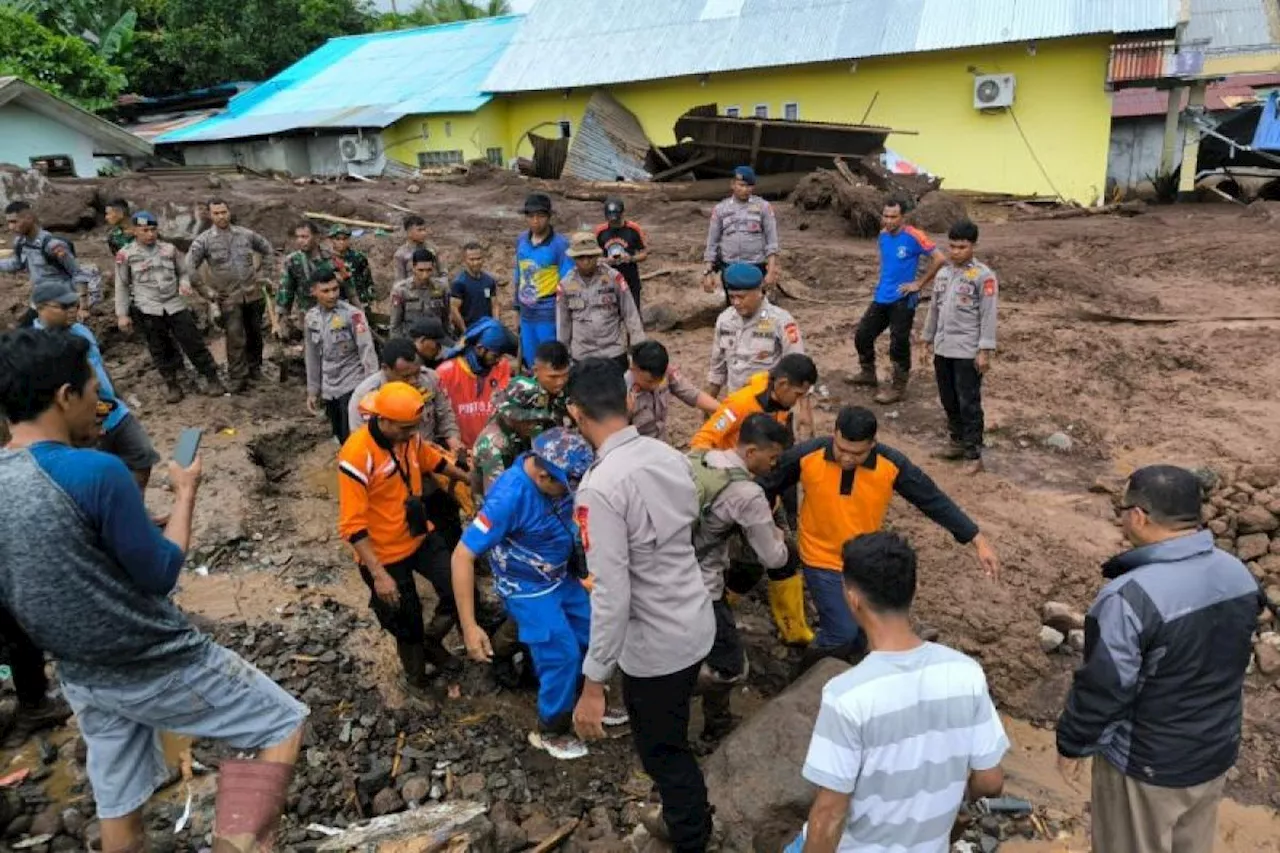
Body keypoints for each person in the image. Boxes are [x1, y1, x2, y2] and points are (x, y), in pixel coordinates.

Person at [0, 329, 307, 851]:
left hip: (79, 672)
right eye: (95, 391)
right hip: (154, 657)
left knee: (119, 801)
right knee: (281, 723)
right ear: (64, 396)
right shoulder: (96, 472)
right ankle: (239, 841)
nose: (103, 406)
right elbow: (161, 572)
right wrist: (186, 493)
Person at [1056, 465, 1261, 853]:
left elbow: (1105, 688)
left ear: (1138, 515)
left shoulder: (1128, 597)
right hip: (1214, 751)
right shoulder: (1237, 573)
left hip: (1147, 765)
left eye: (1122, 509)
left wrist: (1073, 745)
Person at [568, 358, 716, 852]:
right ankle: (686, 817)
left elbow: (612, 592)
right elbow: (690, 524)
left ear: (574, 412)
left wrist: (594, 684)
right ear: (628, 399)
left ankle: (692, 835)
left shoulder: (600, 487)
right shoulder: (665, 454)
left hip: (656, 646)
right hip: (694, 618)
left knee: (663, 752)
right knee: (671, 730)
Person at [790, 532, 1009, 853]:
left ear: (852, 598)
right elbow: (990, 782)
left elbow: (828, 817)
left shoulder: (847, 696)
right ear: (913, 590)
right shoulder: (966, 673)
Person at [760, 406, 1000, 664]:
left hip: (864, 562)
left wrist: (976, 538)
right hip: (820, 558)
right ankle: (806, 675)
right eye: (841, 449)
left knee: (865, 631)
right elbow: (768, 483)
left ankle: (852, 663)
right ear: (834, 434)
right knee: (842, 633)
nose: (847, 459)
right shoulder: (808, 455)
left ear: (873, 444)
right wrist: (766, 515)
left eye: (857, 454)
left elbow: (931, 499)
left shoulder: (891, 465)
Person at [453, 428, 598, 760]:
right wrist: (469, 626)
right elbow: (462, 555)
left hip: (562, 575)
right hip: (528, 588)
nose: (567, 494)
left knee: (593, 633)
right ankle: (551, 727)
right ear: (544, 476)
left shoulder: (557, 474)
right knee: (561, 654)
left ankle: (582, 699)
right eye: (564, 488)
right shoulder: (510, 496)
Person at [337, 382, 475, 697]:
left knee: (458, 587)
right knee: (405, 619)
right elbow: (352, 525)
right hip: (383, 554)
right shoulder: (357, 455)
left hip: (418, 534)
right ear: (383, 420)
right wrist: (379, 575)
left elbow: (434, 462)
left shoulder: (409, 439)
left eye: (414, 427)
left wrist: (469, 479)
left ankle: (432, 640)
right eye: (405, 428)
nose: (412, 433)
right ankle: (416, 680)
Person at [691, 414, 793, 744]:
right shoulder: (747, 494)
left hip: (664, 570)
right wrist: (781, 538)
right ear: (751, 452)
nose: (775, 465)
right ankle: (712, 723)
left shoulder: (700, 457)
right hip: (702, 584)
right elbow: (772, 557)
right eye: (773, 457)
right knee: (730, 667)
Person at [32, 280, 160, 491]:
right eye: (64, 306)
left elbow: (100, 366)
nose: (73, 309)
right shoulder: (35, 345)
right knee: (99, 480)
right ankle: (113, 520)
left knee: (142, 457)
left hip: (114, 411)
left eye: (74, 303)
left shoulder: (81, 331)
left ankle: (135, 511)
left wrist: (118, 398)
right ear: (41, 308)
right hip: (82, 423)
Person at [116, 211, 227, 402]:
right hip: (148, 308)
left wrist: (184, 283)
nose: (150, 234)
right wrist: (122, 315)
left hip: (174, 304)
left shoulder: (169, 249)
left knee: (193, 341)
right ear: (135, 231)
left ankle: (211, 378)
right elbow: (122, 285)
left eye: (153, 230)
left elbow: (184, 272)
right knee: (159, 348)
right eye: (145, 230)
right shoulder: (126, 255)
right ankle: (172, 384)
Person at [920, 219, 998, 475]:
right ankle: (956, 442)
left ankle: (974, 455)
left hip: (967, 351)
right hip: (943, 348)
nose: (955, 252)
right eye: (952, 246)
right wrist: (926, 339)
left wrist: (984, 350)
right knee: (948, 399)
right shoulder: (943, 273)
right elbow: (934, 308)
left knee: (969, 403)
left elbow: (988, 315)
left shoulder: (983, 276)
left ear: (973, 246)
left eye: (962, 247)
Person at [851, 198, 948, 405]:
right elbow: (888, 263)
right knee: (862, 335)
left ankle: (898, 387)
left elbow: (940, 258)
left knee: (898, 343)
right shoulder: (883, 235)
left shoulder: (914, 235)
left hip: (904, 299)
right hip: (882, 296)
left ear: (902, 217)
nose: (888, 220)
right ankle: (868, 374)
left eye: (893, 216)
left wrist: (919, 283)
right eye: (885, 216)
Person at [706, 262, 813, 437]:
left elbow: (798, 369)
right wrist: (708, 402)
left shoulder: (781, 321)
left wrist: (805, 410)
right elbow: (717, 368)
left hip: (769, 411)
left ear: (759, 291)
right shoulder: (725, 320)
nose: (736, 302)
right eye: (732, 297)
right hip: (736, 405)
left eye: (742, 297)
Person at [186, 198, 277, 392]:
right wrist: (206, 291)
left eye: (224, 212)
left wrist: (264, 275)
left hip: (253, 294)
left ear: (229, 212)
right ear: (210, 215)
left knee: (255, 334)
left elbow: (267, 249)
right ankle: (238, 377)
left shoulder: (246, 235)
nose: (221, 216)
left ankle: (255, 370)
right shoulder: (204, 241)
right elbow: (190, 266)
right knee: (235, 337)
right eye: (216, 213)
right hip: (228, 298)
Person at [472, 341, 571, 499]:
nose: (535, 425)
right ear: (510, 416)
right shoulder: (495, 446)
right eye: (527, 420)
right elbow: (501, 504)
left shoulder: (532, 417)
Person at [348, 337, 464, 456]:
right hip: (392, 462)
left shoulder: (430, 378)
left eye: (416, 373)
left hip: (432, 455)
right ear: (385, 369)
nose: (413, 381)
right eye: (406, 377)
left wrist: (453, 440)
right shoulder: (365, 396)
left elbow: (445, 414)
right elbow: (362, 443)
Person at [304, 268, 379, 444]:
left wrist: (372, 388)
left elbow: (367, 351)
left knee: (354, 437)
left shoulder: (353, 315)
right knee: (339, 435)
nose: (332, 295)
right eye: (325, 291)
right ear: (313, 291)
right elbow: (312, 355)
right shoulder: (311, 318)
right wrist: (313, 391)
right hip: (330, 387)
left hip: (352, 383)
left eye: (335, 289)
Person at [691, 353, 817, 451]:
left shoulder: (781, 405)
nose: (798, 401)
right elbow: (702, 440)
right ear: (783, 384)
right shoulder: (739, 404)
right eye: (798, 394)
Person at [557, 231, 645, 369]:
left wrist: (638, 346)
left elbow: (630, 313)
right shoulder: (565, 284)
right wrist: (562, 353)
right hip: (582, 354)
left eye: (590, 257)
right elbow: (563, 322)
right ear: (573, 258)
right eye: (581, 257)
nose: (586, 262)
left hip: (613, 351)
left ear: (597, 255)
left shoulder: (614, 278)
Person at [701, 166, 780, 301]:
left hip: (756, 267)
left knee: (758, 307)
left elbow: (772, 241)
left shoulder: (764, 207)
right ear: (732, 184)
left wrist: (772, 270)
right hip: (730, 267)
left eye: (749, 186)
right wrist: (708, 272)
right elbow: (712, 243)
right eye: (741, 185)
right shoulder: (721, 209)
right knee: (734, 305)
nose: (745, 190)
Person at [435, 317, 517, 447]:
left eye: (501, 356)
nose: (498, 360)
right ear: (479, 349)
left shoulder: (501, 367)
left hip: (493, 448)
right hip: (459, 450)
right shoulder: (445, 373)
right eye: (495, 356)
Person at [513, 193, 573, 370]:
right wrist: (516, 307)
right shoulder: (522, 240)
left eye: (540, 216)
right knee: (531, 360)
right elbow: (519, 273)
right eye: (531, 216)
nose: (535, 221)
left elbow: (567, 279)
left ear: (549, 217)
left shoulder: (559, 244)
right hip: (526, 311)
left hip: (548, 310)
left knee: (550, 358)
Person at [3, 201, 87, 325]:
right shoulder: (20, 242)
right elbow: (17, 263)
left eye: (14, 221)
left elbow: (77, 273)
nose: (10, 227)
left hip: (59, 304)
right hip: (39, 301)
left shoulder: (53, 245)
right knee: (23, 338)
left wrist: (83, 306)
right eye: (9, 222)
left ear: (29, 218)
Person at [627, 340, 718, 443]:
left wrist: (725, 410)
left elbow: (692, 394)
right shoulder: (621, 391)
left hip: (661, 443)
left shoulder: (666, 373)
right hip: (636, 449)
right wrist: (627, 412)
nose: (655, 386)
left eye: (659, 380)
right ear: (633, 368)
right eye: (649, 381)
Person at [278, 220, 352, 330]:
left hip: (334, 313)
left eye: (304, 237)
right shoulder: (292, 261)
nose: (300, 241)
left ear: (316, 237)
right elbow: (286, 291)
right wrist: (282, 319)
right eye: (298, 237)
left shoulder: (332, 258)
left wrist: (358, 312)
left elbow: (350, 288)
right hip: (308, 316)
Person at [391, 248, 463, 339]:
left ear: (433, 268)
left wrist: (449, 338)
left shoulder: (441, 288)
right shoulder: (401, 290)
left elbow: (446, 319)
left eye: (429, 270)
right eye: (420, 270)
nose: (425, 275)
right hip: (412, 340)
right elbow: (395, 325)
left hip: (437, 339)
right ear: (413, 268)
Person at [594, 197, 648, 310]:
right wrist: (604, 260)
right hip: (608, 279)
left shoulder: (633, 229)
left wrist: (630, 258)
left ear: (623, 214)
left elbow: (644, 253)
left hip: (630, 278)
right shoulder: (600, 231)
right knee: (610, 314)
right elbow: (594, 255)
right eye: (610, 219)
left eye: (616, 219)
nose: (613, 222)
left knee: (633, 312)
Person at [451, 242, 499, 328]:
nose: (476, 263)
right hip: (469, 329)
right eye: (472, 259)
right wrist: (465, 332)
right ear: (465, 260)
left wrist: (496, 324)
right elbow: (454, 309)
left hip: (487, 328)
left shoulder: (489, 281)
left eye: (478, 258)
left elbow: (494, 305)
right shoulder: (459, 283)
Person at [329, 224, 376, 307]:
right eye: (338, 239)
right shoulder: (327, 260)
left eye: (345, 239)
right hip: (339, 303)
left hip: (360, 301)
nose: (341, 242)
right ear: (331, 240)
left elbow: (368, 280)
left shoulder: (358, 257)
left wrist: (371, 300)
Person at [393, 214, 443, 283]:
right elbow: (399, 280)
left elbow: (443, 274)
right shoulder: (401, 254)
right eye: (419, 230)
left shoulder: (434, 249)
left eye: (424, 229)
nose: (424, 233)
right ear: (409, 232)